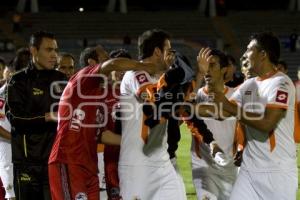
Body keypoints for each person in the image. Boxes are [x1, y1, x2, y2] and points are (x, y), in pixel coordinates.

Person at [48, 52, 160, 200]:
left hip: (90, 166)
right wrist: (145, 66)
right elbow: (113, 64)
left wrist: (138, 140)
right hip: (69, 160)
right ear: (92, 63)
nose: (110, 66)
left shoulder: (100, 96)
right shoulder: (81, 80)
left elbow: (104, 135)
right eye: (105, 61)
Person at [212, 32, 298, 200]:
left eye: (249, 49)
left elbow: (267, 124)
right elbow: (222, 112)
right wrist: (186, 107)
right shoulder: (249, 85)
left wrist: (228, 105)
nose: (244, 54)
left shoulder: (282, 83)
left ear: (263, 54)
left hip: (277, 172)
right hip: (249, 171)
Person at [118, 29, 186, 200]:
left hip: (162, 161)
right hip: (136, 165)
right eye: (168, 50)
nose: (172, 55)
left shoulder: (161, 78)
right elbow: (152, 98)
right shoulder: (134, 73)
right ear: (157, 52)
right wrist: (170, 76)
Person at [6, 31, 67, 200]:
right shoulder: (18, 81)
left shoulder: (62, 80)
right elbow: (16, 118)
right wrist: (49, 116)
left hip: (55, 161)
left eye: (55, 50)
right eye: (49, 50)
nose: (54, 55)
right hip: (27, 164)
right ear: (33, 50)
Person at [190, 49, 240, 200]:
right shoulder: (196, 95)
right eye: (205, 66)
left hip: (230, 167)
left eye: (212, 65)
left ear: (224, 69)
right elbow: (182, 110)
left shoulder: (236, 94)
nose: (207, 70)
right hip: (203, 165)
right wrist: (199, 74)